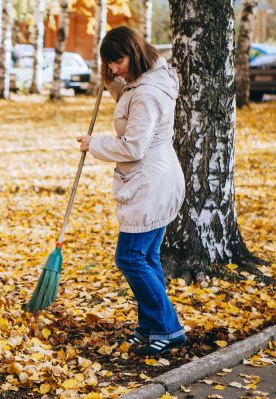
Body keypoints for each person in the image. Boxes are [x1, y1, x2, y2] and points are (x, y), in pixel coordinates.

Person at [76, 26, 187, 356]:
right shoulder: (148, 79)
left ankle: (169, 329)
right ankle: (151, 326)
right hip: (157, 176)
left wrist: (94, 143)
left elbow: (134, 146)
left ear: (135, 52)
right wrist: (111, 81)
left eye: (117, 61)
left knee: (129, 257)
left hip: (149, 181)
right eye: (108, 63)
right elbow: (129, 102)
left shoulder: (147, 93)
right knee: (146, 256)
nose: (113, 68)